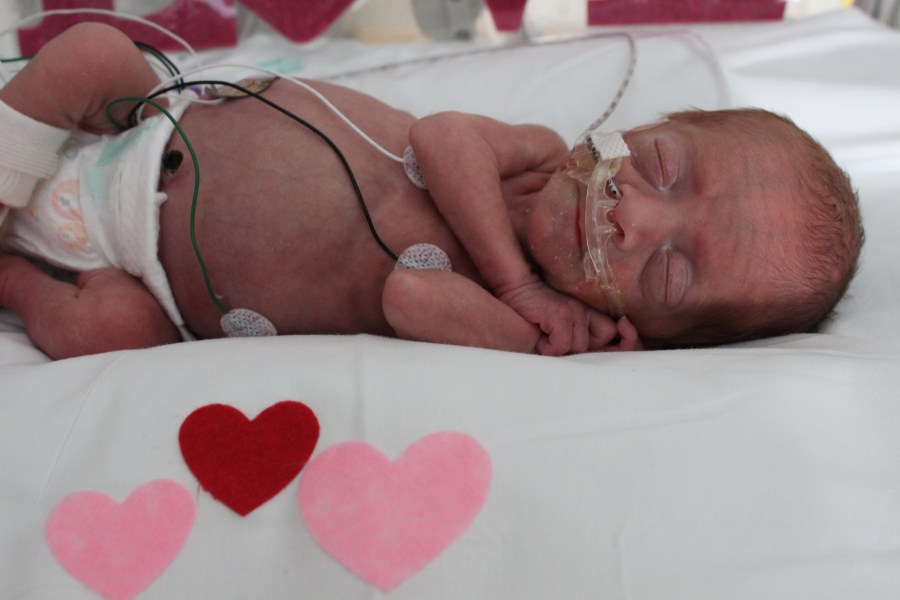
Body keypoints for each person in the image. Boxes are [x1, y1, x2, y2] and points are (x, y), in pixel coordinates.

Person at [0, 23, 863, 360]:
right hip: (132, 132)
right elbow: (441, 138)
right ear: (636, 128)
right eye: (666, 168)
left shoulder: (524, 333)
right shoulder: (530, 156)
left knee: (113, 333)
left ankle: (9, 268)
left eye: (673, 270)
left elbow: (408, 293)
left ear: (640, 331)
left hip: (129, 263)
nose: (636, 213)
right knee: (90, 54)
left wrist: (519, 307)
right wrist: (517, 270)